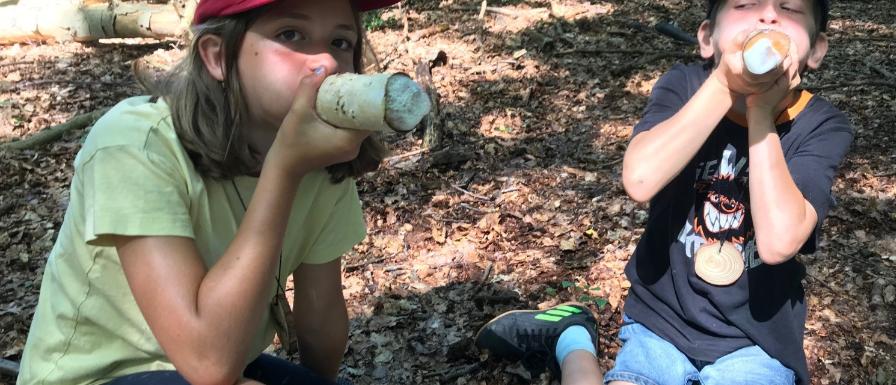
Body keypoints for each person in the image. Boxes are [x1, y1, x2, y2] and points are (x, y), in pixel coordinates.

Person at [16, 0, 401, 384]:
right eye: (290, 35)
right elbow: (208, 366)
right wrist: (284, 169)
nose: (327, 63)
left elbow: (320, 317)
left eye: (340, 42)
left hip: (228, 360)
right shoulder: (136, 143)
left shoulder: (322, 158)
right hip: (100, 374)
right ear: (218, 56)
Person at [476, 0, 852, 384]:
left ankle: (571, 337)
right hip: (661, 322)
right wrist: (723, 83)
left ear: (817, 49)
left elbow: (778, 242)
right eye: (744, 4)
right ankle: (573, 337)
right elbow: (640, 180)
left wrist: (760, 111)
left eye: (789, 9)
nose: (768, 16)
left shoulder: (821, 125)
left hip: (756, 342)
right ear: (707, 38)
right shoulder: (686, 85)